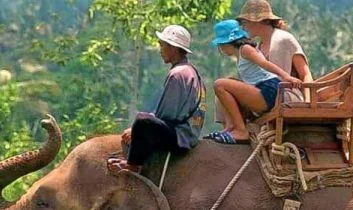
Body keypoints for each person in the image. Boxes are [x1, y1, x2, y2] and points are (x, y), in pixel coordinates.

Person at [108, 25, 205, 174]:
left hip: (181, 136)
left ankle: (133, 165)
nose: (160, 50)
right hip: (190, 133)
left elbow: (167, 115)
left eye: (162, 45)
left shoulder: (178, 74)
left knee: (142, 120)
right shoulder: (191, 71)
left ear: (173, 48)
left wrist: (137, 131)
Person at [209, 19, 301, 144]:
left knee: (220, 84)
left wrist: (286, 77)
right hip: (259, 88)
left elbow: (264, 64)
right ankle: (230, 127)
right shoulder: (240, 53)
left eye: (220, 45)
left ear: (226, 43)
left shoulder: (246, 49)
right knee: (229, 82)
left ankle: (241, 131)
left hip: (268, 90)